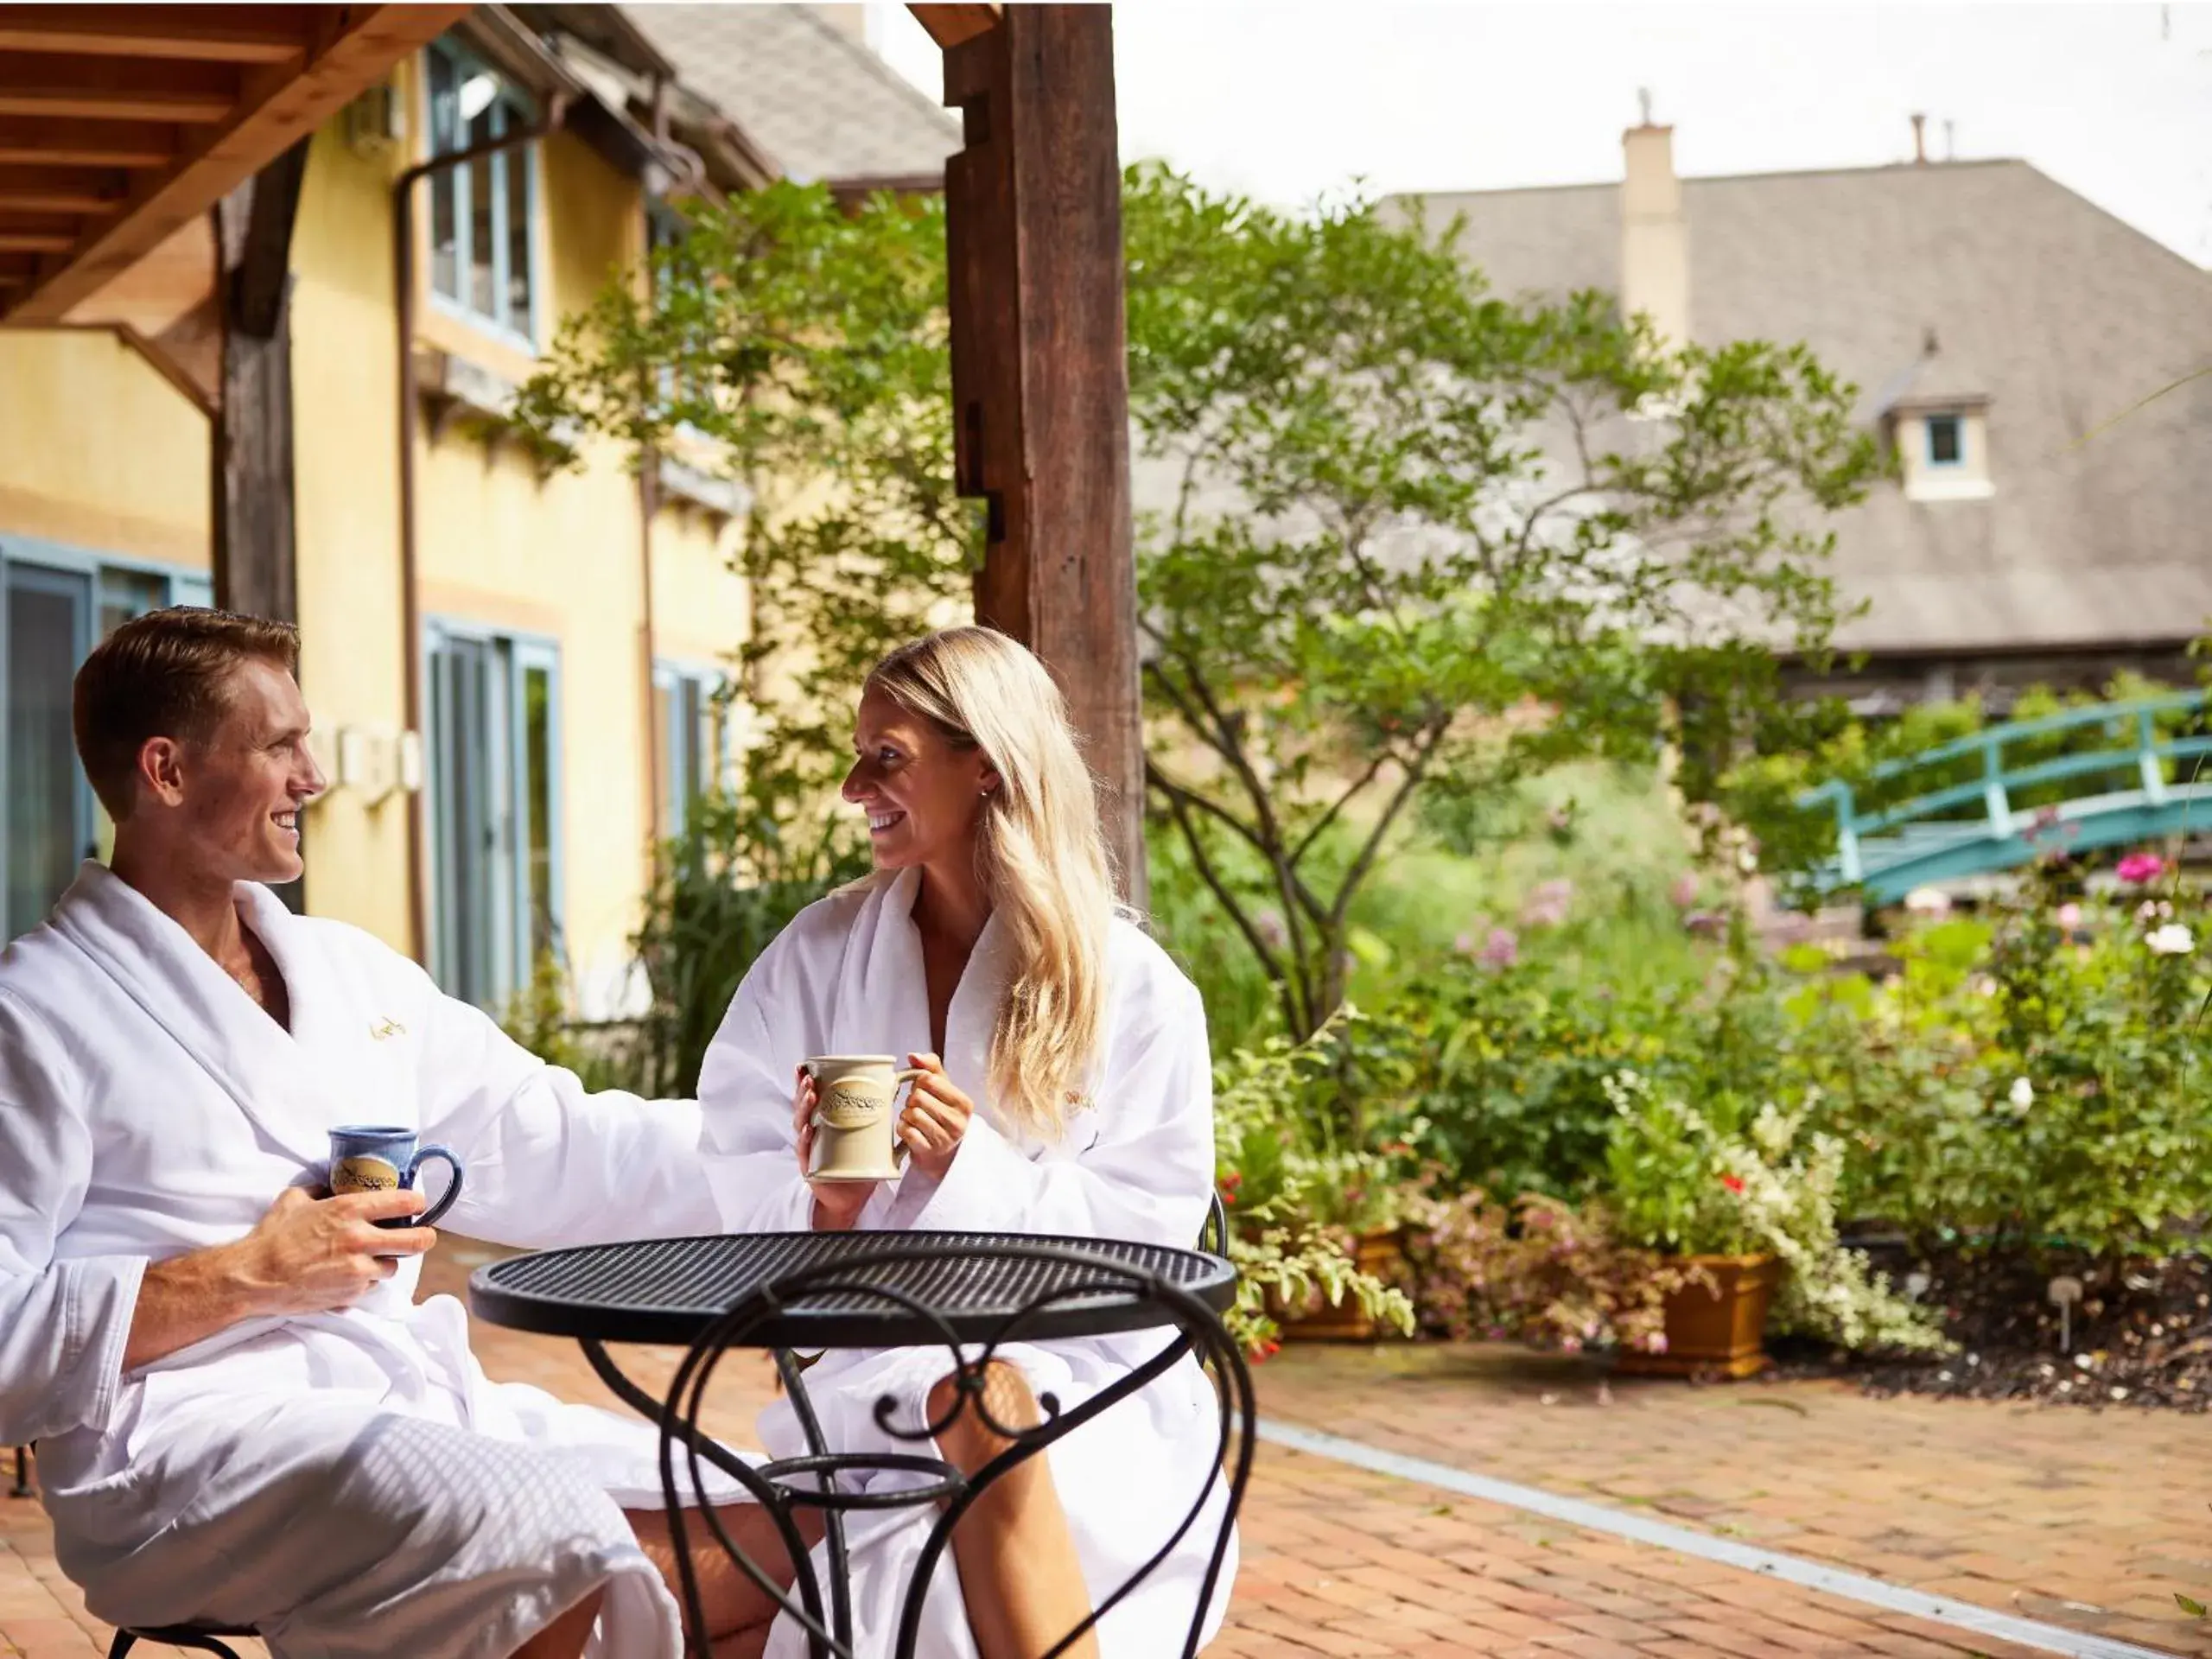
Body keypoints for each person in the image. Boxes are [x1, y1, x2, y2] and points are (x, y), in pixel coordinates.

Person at [0, 608, 816, 1659]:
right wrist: (249, 1274)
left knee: (783, 1526)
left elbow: (559, 1142)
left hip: (404, 1401)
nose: (316, 776)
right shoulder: (37, 1012)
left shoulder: (352, 978)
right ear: (164, 771)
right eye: (280, 746)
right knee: (533, 1527)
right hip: (179, 1447)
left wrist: (786, 1156)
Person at [697, 626, 1236, 1659]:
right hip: (870, 1376)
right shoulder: (813, 956)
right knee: (901, 1541)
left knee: (963, 1445)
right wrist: (824, 1207)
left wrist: (968, 1167)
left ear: (985, 763)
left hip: (1087, 1385)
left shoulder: (1132, 987)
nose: (856, 786)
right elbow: (736, 1168)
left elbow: (1155, 1242)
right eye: (857, 756)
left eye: (886, 756)